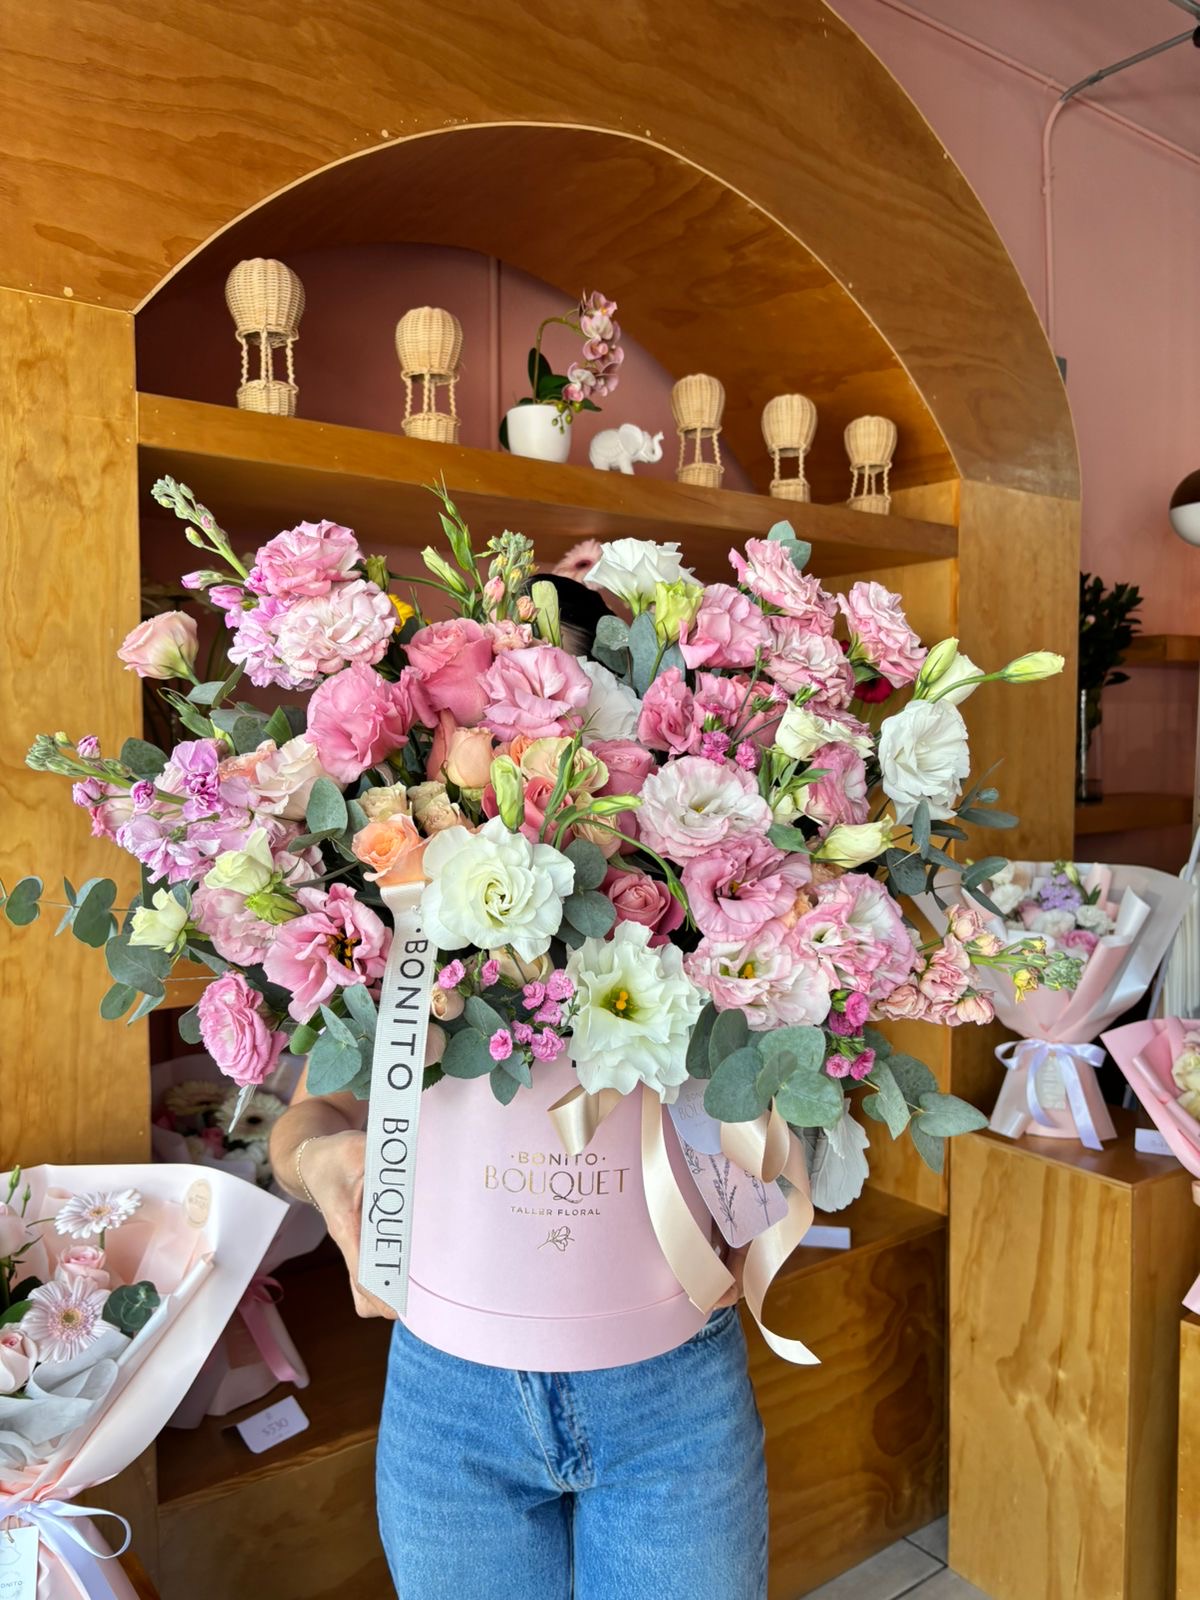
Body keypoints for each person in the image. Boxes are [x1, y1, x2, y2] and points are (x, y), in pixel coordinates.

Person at [269, 1074, 769, 1600]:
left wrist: (766, 1171)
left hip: (673, 1377)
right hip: (449, 1391)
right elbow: (316, 1110)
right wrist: (312, 1161)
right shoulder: (402, 1003)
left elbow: (755, 1069)